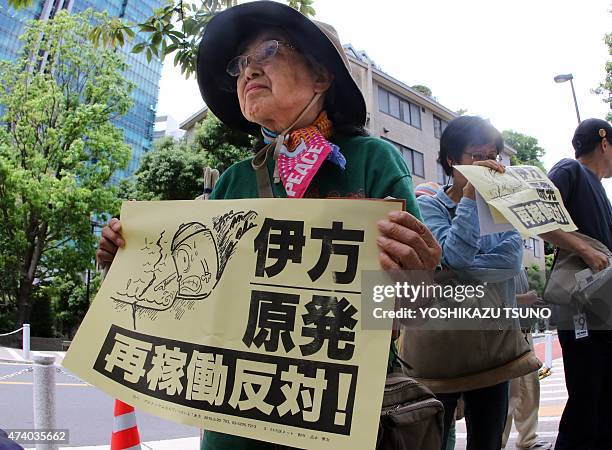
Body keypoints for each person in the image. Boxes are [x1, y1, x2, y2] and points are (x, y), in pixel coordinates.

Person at [96, 2, 442, 449]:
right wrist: (125, 263)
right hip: (236, 413)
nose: (247, 71)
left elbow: (408, 311)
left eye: (268, 51)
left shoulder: (371, 161)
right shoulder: (235, 180)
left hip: (335, 408)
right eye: (240, 63)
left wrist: (417, 279)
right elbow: (192, 302)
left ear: (321, 76)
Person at [416, 116, 526, 450]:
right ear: (452, 160)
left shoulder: (502, 206)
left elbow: (510, 262)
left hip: (493, 345)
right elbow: (456, 259)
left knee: (488, 439)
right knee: (433, 438)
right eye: (477, 157)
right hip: (441, 345)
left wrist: (454, 269)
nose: (488, 164)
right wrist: (467, 198)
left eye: (493, 155)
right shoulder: (428, 205)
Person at [539, 118, 612, 450]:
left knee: (603, 401)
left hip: (603, 309)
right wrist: (583, 248)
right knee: (586, 398)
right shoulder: (570, 169)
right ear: (605, 143)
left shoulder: (600, 190)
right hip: (581, 307)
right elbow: (535, 217)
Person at [501, 268, 551, 450]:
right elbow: (491, 297)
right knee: (508, 394)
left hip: (524, 330)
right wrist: (525, 299)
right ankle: (497, 442)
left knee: (530, 389)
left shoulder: (518, 260)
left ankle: (528, 439)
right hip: (506, 332)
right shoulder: (497, 254)